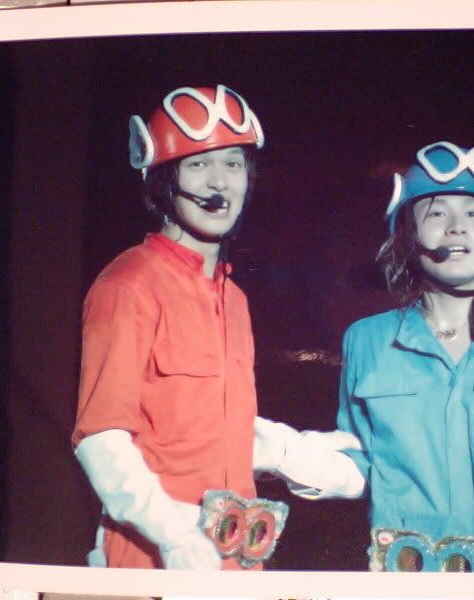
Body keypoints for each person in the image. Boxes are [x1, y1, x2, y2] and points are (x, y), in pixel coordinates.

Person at [262, 140, 474, 572]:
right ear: (408, 232)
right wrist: (286, 454)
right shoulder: (367, 340)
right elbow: (363, 463)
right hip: (403, 579)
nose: (457, 227)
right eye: (437, 213)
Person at [72, 84, 284, 571]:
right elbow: (101, 438)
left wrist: (299, 453)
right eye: (198, 164)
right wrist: (173, 534)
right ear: (164, 181)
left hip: (235, 560)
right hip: (154, 559)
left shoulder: (235, 299)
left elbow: (213, 428)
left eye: (233, 163)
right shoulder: (129, 284)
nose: (219, 183)